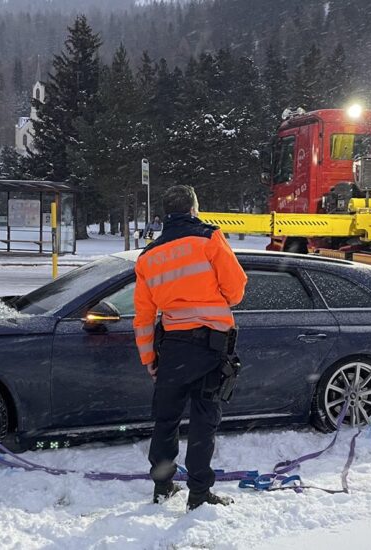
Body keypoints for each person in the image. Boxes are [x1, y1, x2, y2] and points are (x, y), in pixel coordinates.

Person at [133, 185, 247, 511]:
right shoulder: (209, 239)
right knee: (203, 422)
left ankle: (163, 487)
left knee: (166, 421)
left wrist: (149, 359)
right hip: (210, 348)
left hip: (172, 350)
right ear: (194, 208)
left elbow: (142, 317)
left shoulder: (148, 257)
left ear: (165, 214)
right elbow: (236, 290)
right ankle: (198, 494)